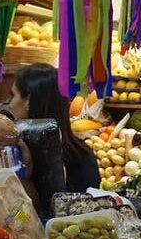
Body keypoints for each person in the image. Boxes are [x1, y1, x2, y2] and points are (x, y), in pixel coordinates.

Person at [8, 64, 100, 194]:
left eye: (13, 95)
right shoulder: (85, 156)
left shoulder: (18, 158)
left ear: (28, 101)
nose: (10, 105)